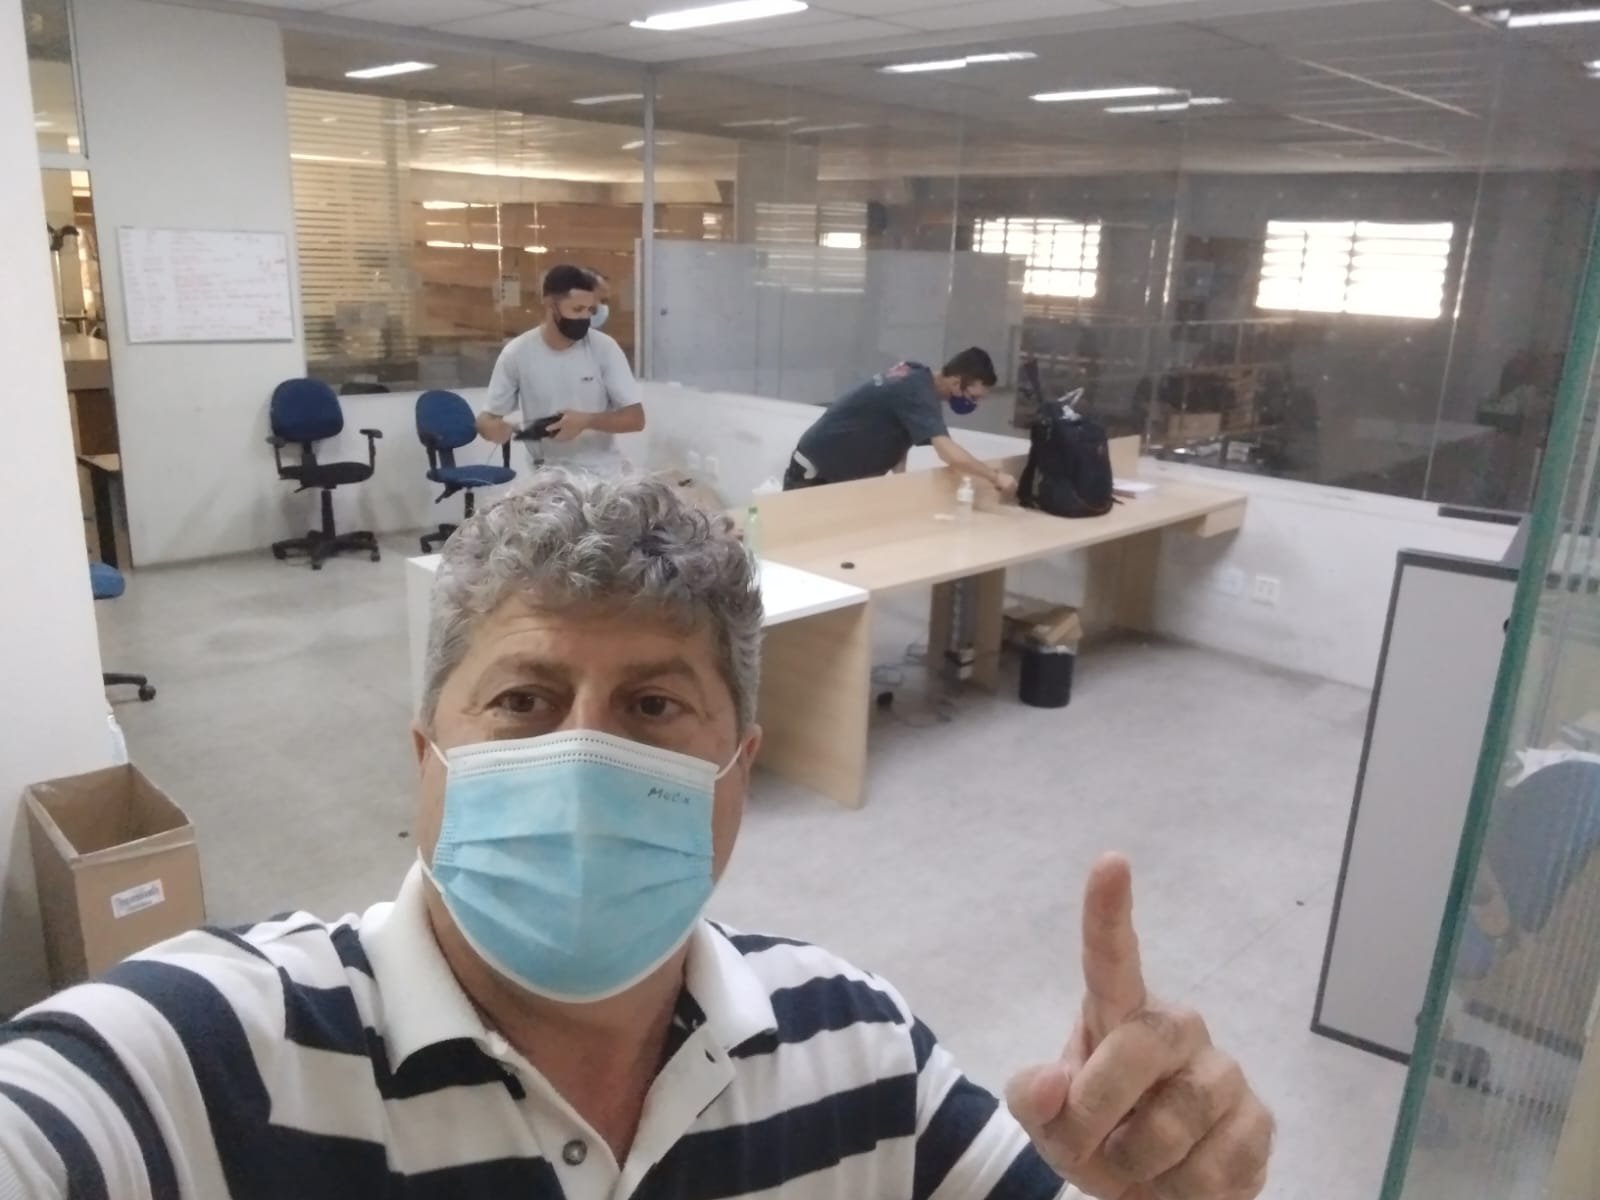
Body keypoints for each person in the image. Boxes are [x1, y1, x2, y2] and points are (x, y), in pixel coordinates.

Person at [0, 472, 1273, 1200]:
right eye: (523, 700)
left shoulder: (859, 1049)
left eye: (654, 707)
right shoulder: (201, 1056)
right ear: (426, 754)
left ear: (738, 773)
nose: (582, 756)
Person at [476, 264, 643, 477]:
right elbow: (486, 419)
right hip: (547, 475)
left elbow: (635, 419)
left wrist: (586, 421)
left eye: (590, 310)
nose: (584, 318)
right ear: (550, 304)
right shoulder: (517, 353)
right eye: (577, 309)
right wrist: (491, 428)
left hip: (602, 473)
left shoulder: (604, 348)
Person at [785, 348, 1017, 493]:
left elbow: (899, 432)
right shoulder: (917, 391)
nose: (974, 403)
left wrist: (900, 482)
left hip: (843, 475)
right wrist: (995, 477)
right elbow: (949, 454)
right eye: (973, 397)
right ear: (956, 382)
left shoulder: (918, 374)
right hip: (817, 473)